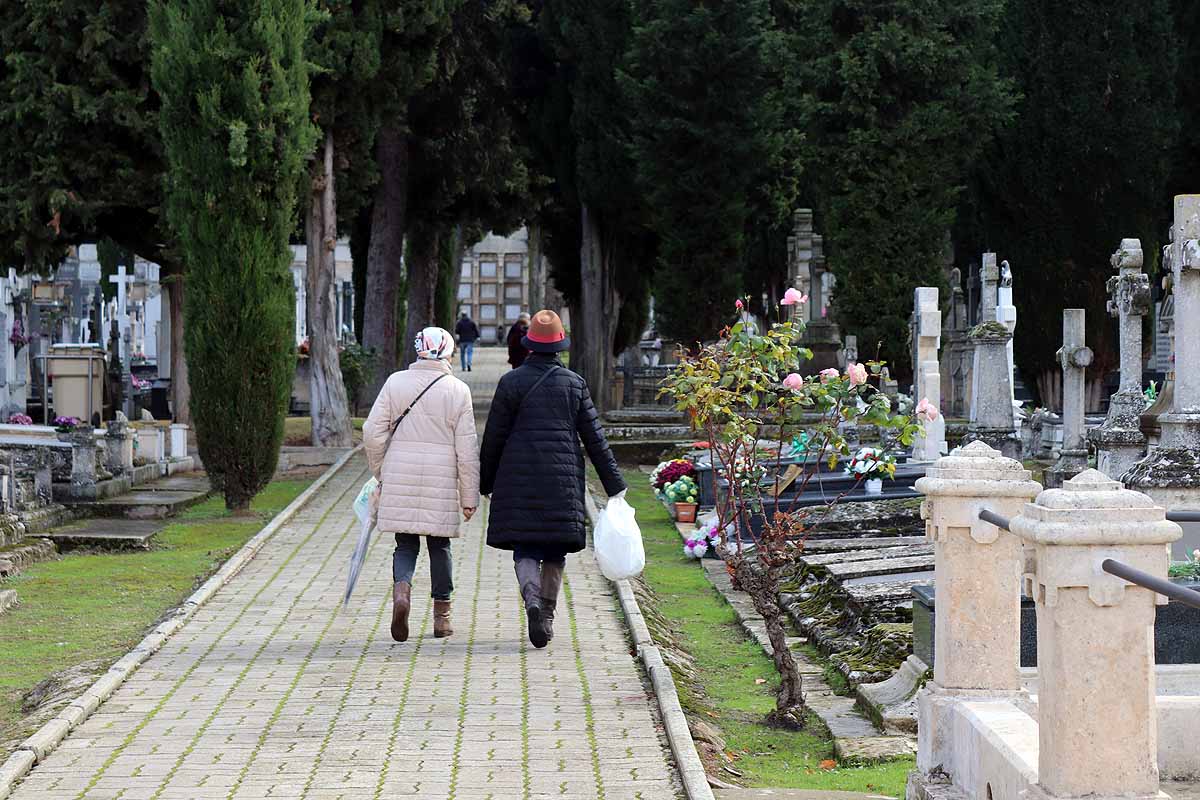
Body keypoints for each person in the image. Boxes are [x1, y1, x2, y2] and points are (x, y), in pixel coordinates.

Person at [480, 310, 626, 648]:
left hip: (518, 478)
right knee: (555, 550)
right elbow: (594, 439)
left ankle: (531, 599)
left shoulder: (510, 382)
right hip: (561, 482)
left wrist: (485, 482)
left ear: (530, 343)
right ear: (560, 346)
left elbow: (493, 438)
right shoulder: (574, 384)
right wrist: (615, 487)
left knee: (525, 547)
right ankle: (545, 613)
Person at [363, 327, 479, 643]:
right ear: (448, 353)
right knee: (440, 546)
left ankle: (402, 593)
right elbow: (466, 450)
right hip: (441, 479)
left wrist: (381, 471)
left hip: (400, 472)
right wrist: (469, 497)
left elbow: (372, 432)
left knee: (405, 543)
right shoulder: (458, 390)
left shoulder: (394, 383)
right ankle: (442, 617)